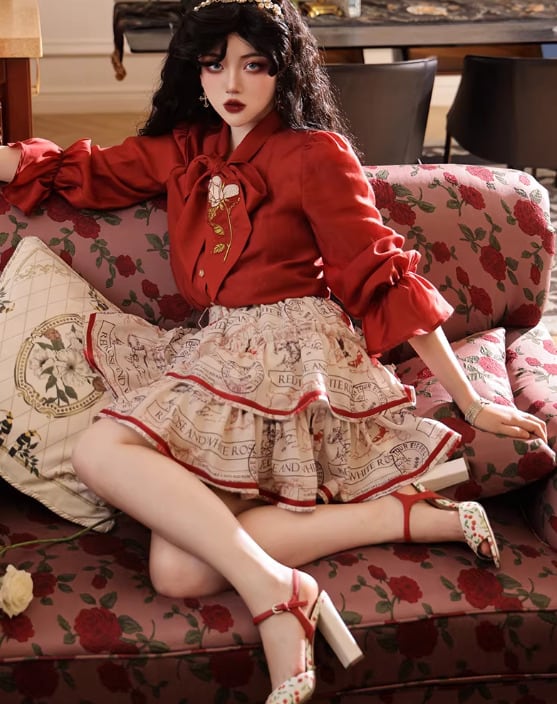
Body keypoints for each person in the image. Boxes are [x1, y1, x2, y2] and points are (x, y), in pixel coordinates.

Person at [0, 0, 548, 701]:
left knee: (99, 449)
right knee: (177, 572)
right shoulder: (187, 146)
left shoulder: (314, 153)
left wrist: (470, 401)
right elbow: (87, 170)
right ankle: (370, 536)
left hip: (293, 350)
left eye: (253, 65)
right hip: (220, 349)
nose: (231, 83)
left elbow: (382, 277)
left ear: (283, 72)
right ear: (195, 71)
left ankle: (275, 596)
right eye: (214, 64)